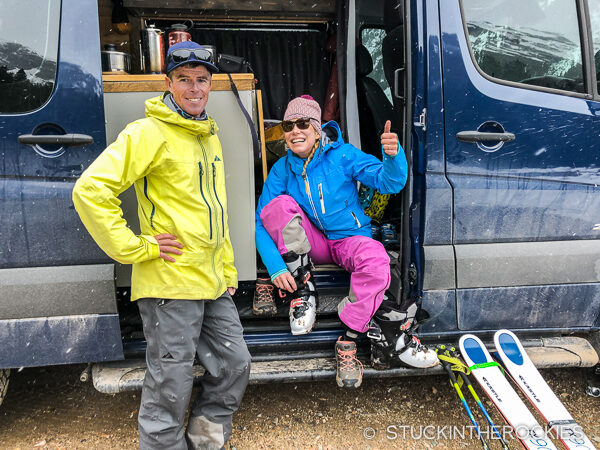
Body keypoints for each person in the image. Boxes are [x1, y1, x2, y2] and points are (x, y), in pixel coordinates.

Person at [72, 41, 251, 449]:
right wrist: (138, 248)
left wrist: (225, 270)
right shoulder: (148, 132)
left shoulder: (208, 136)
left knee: (235, 363)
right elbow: (90, 190)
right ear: (168, 83)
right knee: (169, 387)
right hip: (170, 283)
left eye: (201, 80)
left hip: (209, 281)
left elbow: (216, 215)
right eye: (184, 79)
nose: (194, 87)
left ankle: (204, 441)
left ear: (211, 86)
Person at [255, 95, 438, 388]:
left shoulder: (342, 155)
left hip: (349, 240)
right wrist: (276, 268)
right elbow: (261, 220)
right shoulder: (281, 169)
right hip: (311, 244)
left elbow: (389, 182)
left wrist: (393, 157)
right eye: (288, 126)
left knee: (377, 260)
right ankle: (305, 291)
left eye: (303, 124)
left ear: (317, 128)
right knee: (276, 207)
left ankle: (349, 339)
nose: (295, 131)